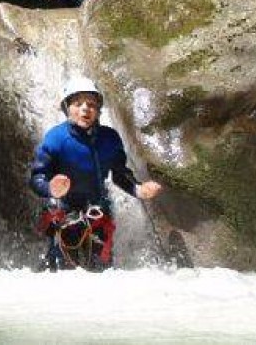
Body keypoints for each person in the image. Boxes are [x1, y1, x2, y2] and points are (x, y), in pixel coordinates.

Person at [29, 77, 163, 271]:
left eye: (91, 104)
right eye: (78, 104)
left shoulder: (110, 138)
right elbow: (36, 177)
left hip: (98, 210)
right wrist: (50, 188)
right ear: (67, 108)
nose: (85, 109)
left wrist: (138, 189)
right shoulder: (56, 138)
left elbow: (119, 174)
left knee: (102, 271)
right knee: (64, 274)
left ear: (98, 110)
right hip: (64, 212)